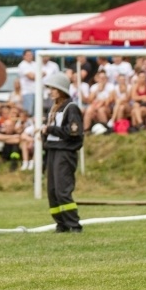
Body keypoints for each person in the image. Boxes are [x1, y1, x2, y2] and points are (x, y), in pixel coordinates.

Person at [40, 72, 84, 233]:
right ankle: (61, 223)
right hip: (52, 151)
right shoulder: (54, 109)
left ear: (61, 90)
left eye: (53, 88)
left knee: (62, 190)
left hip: (65, 153)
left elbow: (73, 132)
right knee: (52, 191)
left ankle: (74, 224)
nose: (50, 91)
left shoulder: (71, 108)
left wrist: (50, 129)